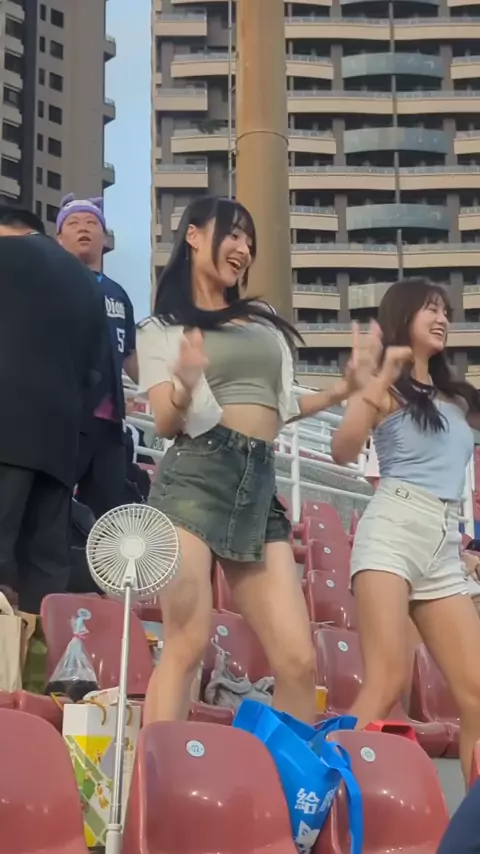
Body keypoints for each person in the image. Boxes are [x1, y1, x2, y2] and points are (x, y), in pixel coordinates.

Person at [136, 195, 373, 725]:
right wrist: (186, 383)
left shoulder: (261, 319)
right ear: (194, 235)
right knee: (186, 643)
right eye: (232, 234)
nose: (243, 248)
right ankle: (158, 769)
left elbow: (280, 407)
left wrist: (343, 390)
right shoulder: (162, 327)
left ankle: (280, 775)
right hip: (195, 478)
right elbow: (167, 422)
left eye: (248, 240)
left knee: (297, 661)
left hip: (259, 483)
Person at [331, 276, 480, 784]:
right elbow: (343, 449)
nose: (442, 319)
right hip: (393, 530)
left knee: (476, 693)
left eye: (446, 311)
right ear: (404, 317)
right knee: (387, 680)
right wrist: (372, 383)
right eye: (431, 309)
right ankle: (316, 788)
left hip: (443, 543)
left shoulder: (456, 397)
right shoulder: (386, 387)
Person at [0, 202, 106, 614]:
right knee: (43, 572)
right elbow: (98, 373)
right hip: (60, 445)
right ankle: (38, 648)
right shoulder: (86, 281)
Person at [56, 194, 138, 519]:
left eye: (92, 223)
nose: (84, 229)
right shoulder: (49, 282)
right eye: (73, 223)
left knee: (106, 515)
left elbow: (130, 355)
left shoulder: (118, 293)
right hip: (64, 416)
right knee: (51, 505)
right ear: (58, 238)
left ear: (105, 238)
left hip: (111, 424)